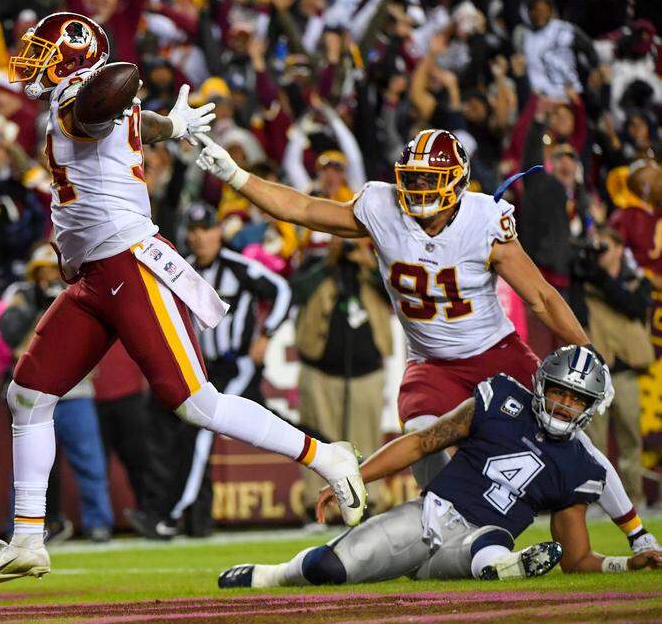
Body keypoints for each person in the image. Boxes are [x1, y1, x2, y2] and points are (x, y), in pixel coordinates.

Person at [0, 12, 366, 586]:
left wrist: (123, 96)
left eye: (44, 50)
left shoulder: (81, 96)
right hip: (93, 277)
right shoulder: (84, 95)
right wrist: (168, 127)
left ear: (75, 61)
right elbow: (125, 115)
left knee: (194, 402)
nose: (32, 61)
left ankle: (328, 458)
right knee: (28, 394)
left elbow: (99, 110)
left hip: (128, 264)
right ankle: (28, 537)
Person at [195, 127, 659, 554]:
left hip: (494, 352)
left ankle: (638, 536)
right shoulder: (381, 207)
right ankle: (449, 541)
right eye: (412, 179)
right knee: (421, 439)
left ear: (457, 183)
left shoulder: (484, 219)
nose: (417, 190)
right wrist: (236, 175)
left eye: (428, 179)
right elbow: (305, 209)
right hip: (431, 362)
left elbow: (540, 297)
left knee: (571, 438)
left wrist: (588, 355)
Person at [219, 346, 662, 588]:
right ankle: (268, 574)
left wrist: (624, 565)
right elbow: (421, 443)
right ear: (541, 384)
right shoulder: (502, 400)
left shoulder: (580, 465)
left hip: (477, 542)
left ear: (591, 408)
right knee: (326, 570)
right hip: (428, 518)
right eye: (560, 392)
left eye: (577, 399)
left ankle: (507, 566)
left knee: (489, 547)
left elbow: (576, 556)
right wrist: (351, 476)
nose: (565, 404)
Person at [135, 203, 291, 539]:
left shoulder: (238, 267)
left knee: (204, 432)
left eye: (206, 229)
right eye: (194, 231)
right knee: (182, 433)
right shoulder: (182, 269)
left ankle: (172, 515)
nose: (200, 237)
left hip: (234, 365)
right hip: (198, 369)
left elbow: (281, 290)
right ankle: (195, 520)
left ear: (219, 231)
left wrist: (266, 335)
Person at [0, 244, 115, 542]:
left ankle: (98, 522)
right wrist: (33, 307)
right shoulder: (21, 297)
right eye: (43, 272)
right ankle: (22, 531)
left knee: (90, 462)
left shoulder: (82, 293)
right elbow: (7, 333)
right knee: (28, 469)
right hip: (35, 395)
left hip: (76, 391)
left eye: (54, 271)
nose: (49, 277)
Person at [291, 233, 390, 516]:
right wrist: (329, 264)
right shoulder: (314, 264)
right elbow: (296, 290)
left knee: (366, 442)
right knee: (319, 443)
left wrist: (368, 264)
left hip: (367, 372)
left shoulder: (374, 265)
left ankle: (369, 504)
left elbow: (395, 296)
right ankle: (318, 507)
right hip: (319, 373)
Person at [575, 225, 651, 510]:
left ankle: (636, 499)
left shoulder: (636, 281)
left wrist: (602, 277)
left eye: (605, 248)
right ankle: (598, 501)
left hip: (627, 370)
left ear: (620, 249)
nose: (600, 255)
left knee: (630, 439)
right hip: (596, 374)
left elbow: (632, 306)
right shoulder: (583, 280)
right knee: (594, 445)